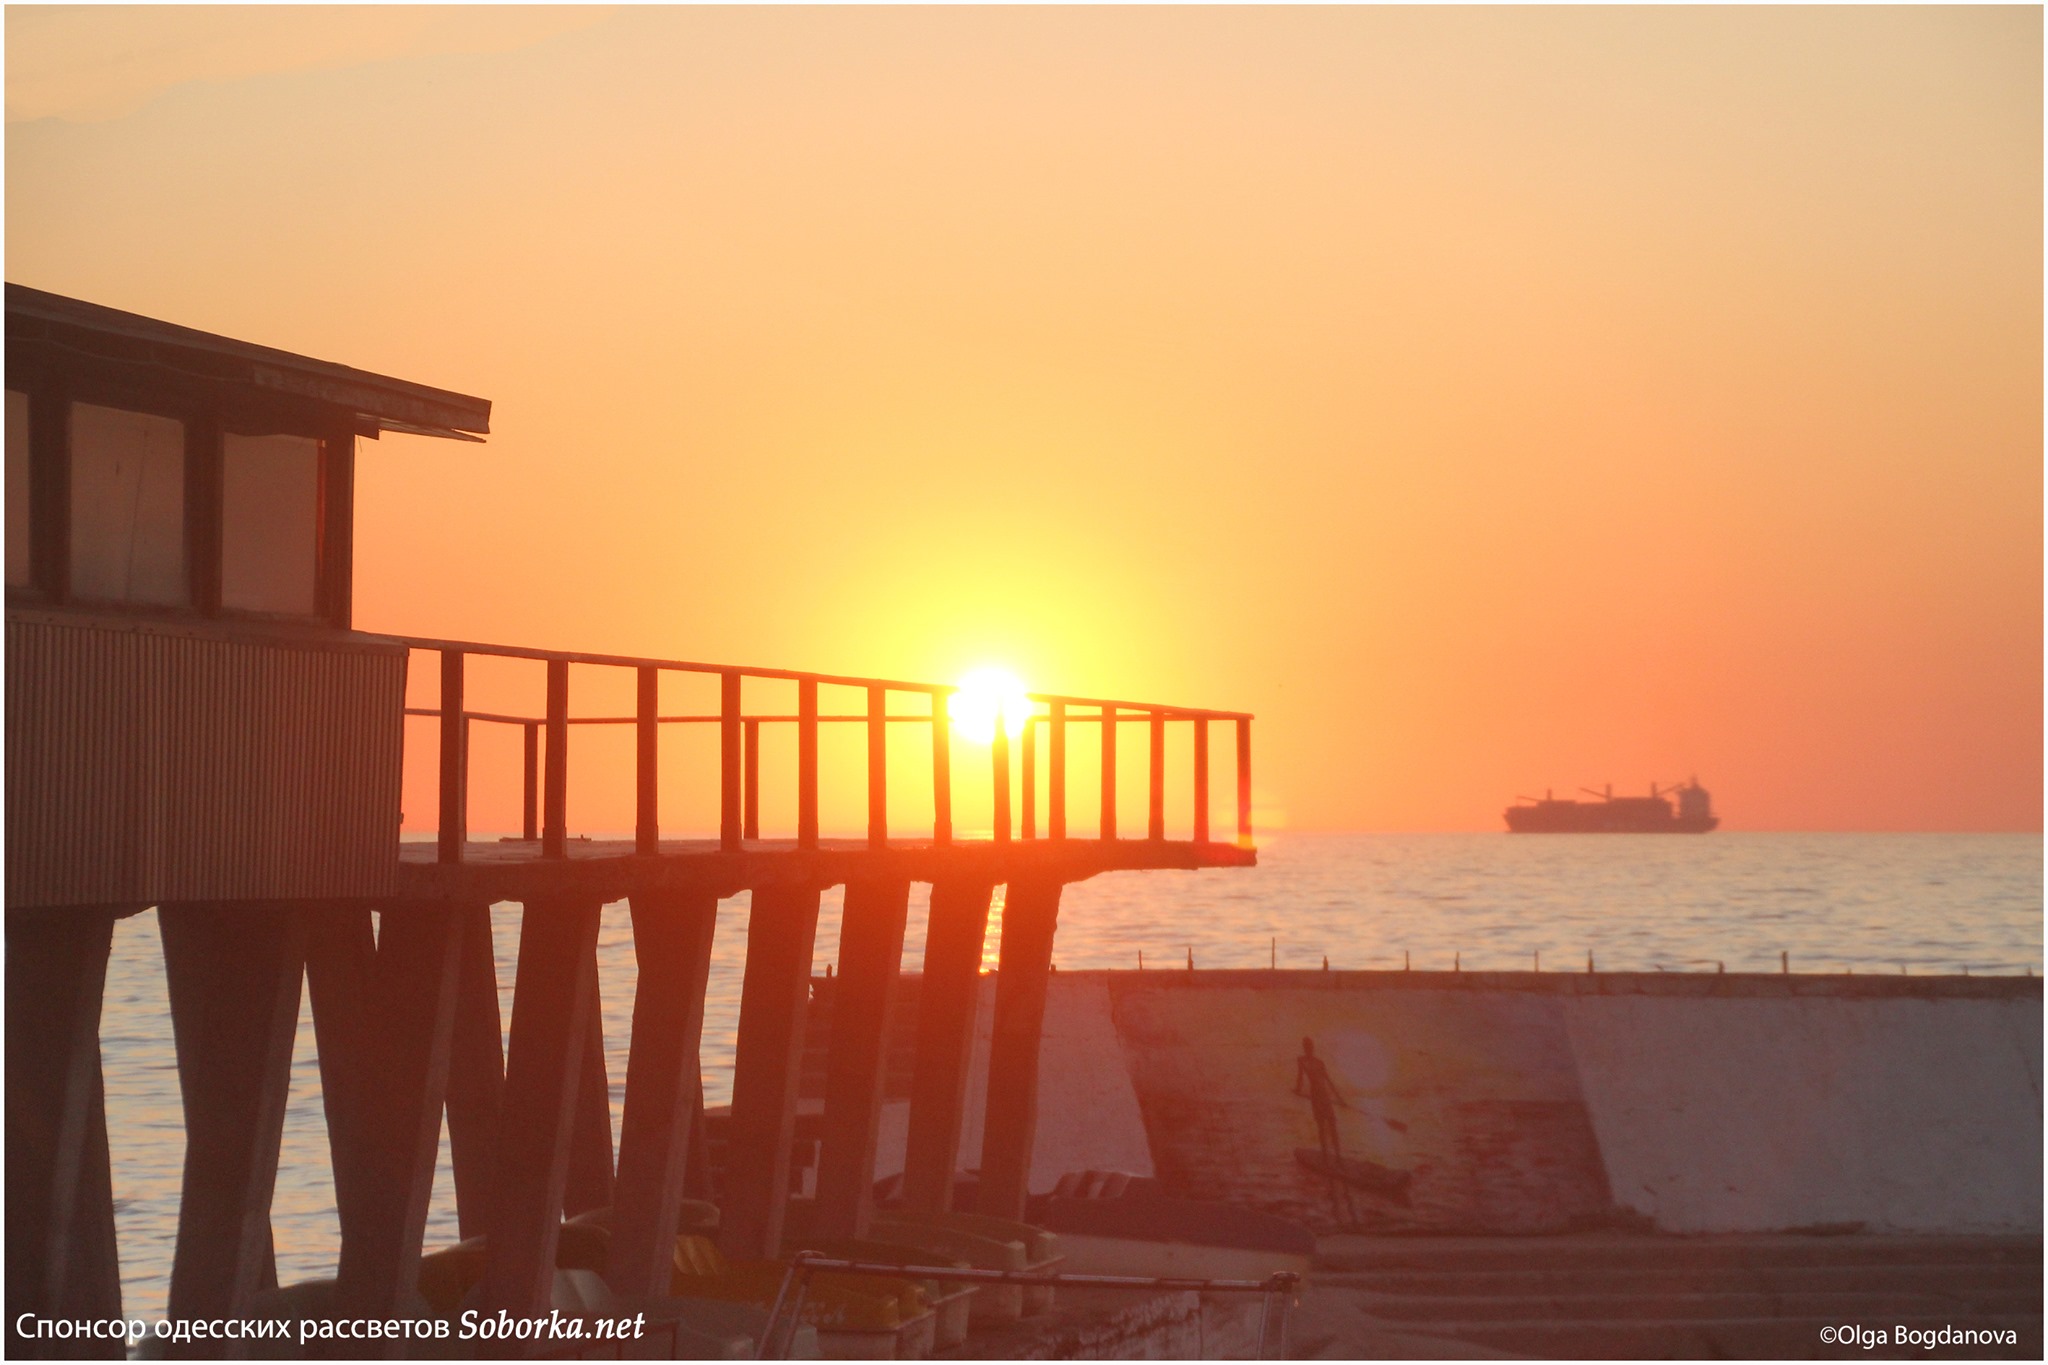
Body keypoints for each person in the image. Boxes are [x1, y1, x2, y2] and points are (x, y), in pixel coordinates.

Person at [1293, 1037, 1349, 1159]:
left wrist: (1340, 1100)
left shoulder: (1318, 1062)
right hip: (1317, 1097)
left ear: (1312, 1048)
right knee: (1322, 1126)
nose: (1309, 1049)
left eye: (1310, 1047)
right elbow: (1300, 1078)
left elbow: (1328, 1081)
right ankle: (1326, 1157)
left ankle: (1338, 1157)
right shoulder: (1302, 1060)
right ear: (1305, 1048)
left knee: (1331, 1125)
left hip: (1324, 1097)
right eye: (1307, 1047)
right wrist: (1297, 1090)